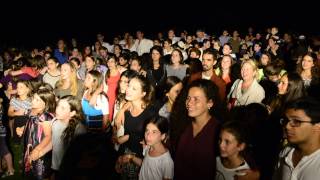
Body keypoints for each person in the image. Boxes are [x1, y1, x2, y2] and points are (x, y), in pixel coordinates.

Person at [175, 79, 222, 180]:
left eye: (196, 99)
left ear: (210, 103)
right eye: (188, 98)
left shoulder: (219, 131)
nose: (189, 103)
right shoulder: (184, 125)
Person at [116, 75, 156, 179]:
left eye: (134, 88)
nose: (128, 90)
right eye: (129, 86)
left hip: (141, 160)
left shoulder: (150, 113)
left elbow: (155, 142)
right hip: (126, 154)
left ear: (143, 93)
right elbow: (124, 136)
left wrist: (129, 138)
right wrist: (119, 157)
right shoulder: (126, 110)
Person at [40, 95, 86, 179]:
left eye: (63, 108)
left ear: (72, 113)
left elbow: (80, 154)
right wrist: (41, 152)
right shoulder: (55, 122)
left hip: (70, 169)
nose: (57, 110)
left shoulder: (79, 130)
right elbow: (54, 141)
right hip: (56, 166)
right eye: (58, 106)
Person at [273, 97, 320, 179]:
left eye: (297, 121)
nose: (287, 126)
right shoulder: (286, 152)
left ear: (317, 126)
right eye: (286, 120)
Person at [17, 87, 56, 179]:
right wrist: (22, 129)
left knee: (40, 172)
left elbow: (48, 136)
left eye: (37, 100)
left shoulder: (45, 116)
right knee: (30, 172)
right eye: (34, 98)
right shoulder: (32, 111)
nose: (33, 101)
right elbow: (30, 124)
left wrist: (37, 150)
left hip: (40, 146)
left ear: (45, 103)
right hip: (29, 145)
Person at [119, 116, 174, 180]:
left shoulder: (166, 161)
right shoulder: (148, 147)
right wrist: (131, 157)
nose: (148, 135)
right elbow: (146, 164)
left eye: (154, 132)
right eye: (147, 130)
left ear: (163, 136)